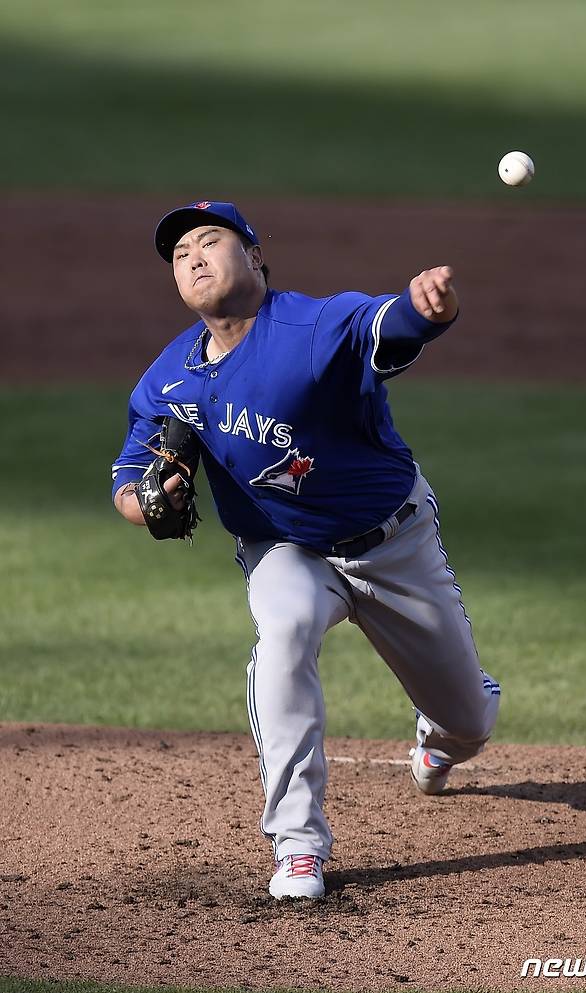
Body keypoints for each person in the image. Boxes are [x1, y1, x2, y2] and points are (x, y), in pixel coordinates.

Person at [111, 200, 501, 901]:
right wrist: (149, 500)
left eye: (210, 241)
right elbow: (128, 485)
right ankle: (297, 845)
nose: (194, 258)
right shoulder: (168, 380)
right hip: (283, 549)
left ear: (255, 256)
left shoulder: (313, 326)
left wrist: (426, 309)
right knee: (284, 632)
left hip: (392, 543)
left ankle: (441, 736)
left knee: (469, 722)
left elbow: (388, 324)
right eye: (180, 254)